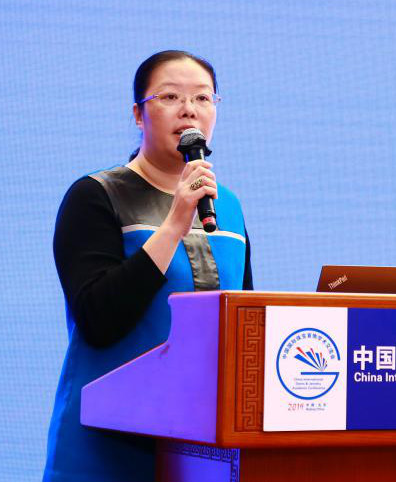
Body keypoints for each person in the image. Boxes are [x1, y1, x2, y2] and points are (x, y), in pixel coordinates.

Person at [43, 50, 252, 481]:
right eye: (170, 96)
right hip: (107, 444)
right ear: (138, 114)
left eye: (203, 98)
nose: (189, 110)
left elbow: (245, 323)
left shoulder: (227, 206)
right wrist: (175, 223)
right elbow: (98, 318)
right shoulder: (96, 196)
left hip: (199, 445)